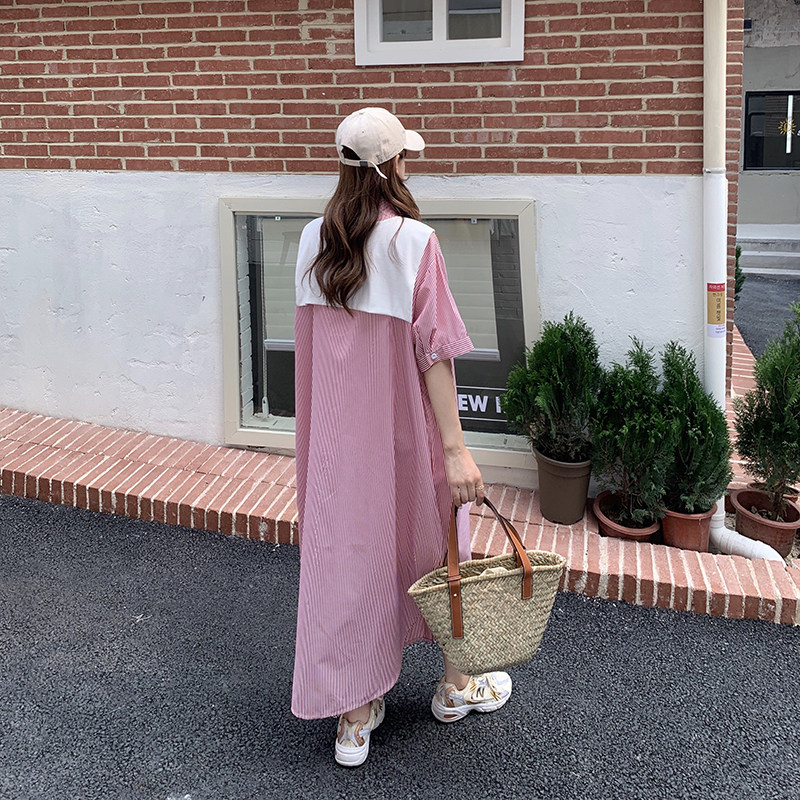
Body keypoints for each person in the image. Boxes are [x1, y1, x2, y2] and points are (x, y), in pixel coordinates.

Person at [291, 107, 512, 767]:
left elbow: (309, 353)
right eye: (404, 158)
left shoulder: (311, 242)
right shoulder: (414, 242)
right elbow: (435, 354)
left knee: (348, 555)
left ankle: (354, 717)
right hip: (406, 433)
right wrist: (456, 449)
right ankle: (456, 685)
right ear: (392, 167)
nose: (409, 166)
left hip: (336, 439)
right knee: (441, 539)